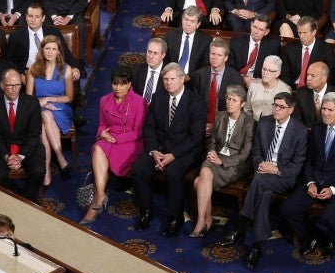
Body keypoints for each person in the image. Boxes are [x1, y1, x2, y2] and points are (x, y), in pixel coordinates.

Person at [218, 92, 307, 271]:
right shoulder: (265, 123)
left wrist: (275, 169)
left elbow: (297, 166)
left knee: (258, 181)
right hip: (262, 172)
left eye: (281, 107)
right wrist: (261, 164)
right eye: (275, 105)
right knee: (264, 195)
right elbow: (256, 152)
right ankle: (257, 246)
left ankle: (241, 228)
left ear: (291, 109)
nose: (276, 109)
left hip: (283, 177)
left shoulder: (300, 131)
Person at [282, 92, 335, 258]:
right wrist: (310, 182)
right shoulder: (318, 128)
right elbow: (309, 161)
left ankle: (331, 240)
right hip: (316, 182)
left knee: (327, 218)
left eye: (330, 110)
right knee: (287, 209)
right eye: (323, 109)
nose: (325, 113)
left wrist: (333, 189)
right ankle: (310, 236)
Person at [132, 63, 206, 235]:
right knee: (139, 169)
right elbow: (149, 126)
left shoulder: (196, 101)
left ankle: (174, 218)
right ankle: (146, 211)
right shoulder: (159, 97)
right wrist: (153, 151)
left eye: (172, 79)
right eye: (165, 79)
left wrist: (174, 155)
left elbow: (196, 137)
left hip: (185, 150)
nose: (168, 83)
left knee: (173, 173)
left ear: (182, 79)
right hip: (159, 148)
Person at [80, 66, 147, 225]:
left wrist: (116, 140)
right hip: (109, 138)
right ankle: (101, 196)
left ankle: (97, 201)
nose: (118, 88)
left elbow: (138, 133)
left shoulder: (139, 102)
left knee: (100, 149)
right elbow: (102, 124)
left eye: (122, 84)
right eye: (115, 84)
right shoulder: (104, 100)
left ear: (129, 84)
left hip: (130, 142)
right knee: (98, 147)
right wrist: (102, 133)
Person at [191, 85, 255, 238]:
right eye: (228, 99)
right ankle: (203, 219)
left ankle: (206, 219)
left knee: (198, 182)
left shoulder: (249, 122)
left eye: (234, 100)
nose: (229, 102)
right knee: (205, 171)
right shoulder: (220, 116)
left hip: (234, 164)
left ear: (243, 104)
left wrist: (222, 161)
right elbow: (212, 140)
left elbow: (246, 153)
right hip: (215, 158)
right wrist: (212, 152)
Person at [0, 68, 45, 203]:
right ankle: (24, 199)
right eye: (10, 85)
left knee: (38, 171)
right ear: (2, 86)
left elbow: (34, 133)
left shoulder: (31, 102)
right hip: (1, 150)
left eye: (17, 85)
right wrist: (7, 156)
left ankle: (24, 201)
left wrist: (20, 156)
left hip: (27, 147)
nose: (14, 89)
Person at [26, 35, 74, 186]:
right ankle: (58, 161)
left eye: (54, 49)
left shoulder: (66, 69)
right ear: (42, 50)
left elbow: (69, 97)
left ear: (59, 51)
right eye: (47, 48)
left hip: (60, 107)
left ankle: (51, 165)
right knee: (42, 123)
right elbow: (28, 98)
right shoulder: (33, 69)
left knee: (45, 116)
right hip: (39, 106)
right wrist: (41, 102)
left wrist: (50, 100)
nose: (50, 52)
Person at [5, 3, 80, 82]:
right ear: (26, 17)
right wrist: (20, 75)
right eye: (30, 16)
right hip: (28, 72)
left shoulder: (54, 32)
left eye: (37, 17)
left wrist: (75, 68)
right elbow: (10, 62)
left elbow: (65, 53)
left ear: (43, 18)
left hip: (52, 71)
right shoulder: (16, 35)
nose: (33, 20)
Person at [189, 39, 243, 135]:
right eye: (212, 54)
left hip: (224, 126)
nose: (214, 58)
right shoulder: (199, 75)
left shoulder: (235, 77)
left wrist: (216, 125)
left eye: (219, 55)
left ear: (226, 57)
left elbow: (234, 108)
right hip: (200, 124)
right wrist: (202, 124)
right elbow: (195, 105)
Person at [282, 16, 335, 89]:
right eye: (299, 33)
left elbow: (329, 77)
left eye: (305, 33)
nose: (301, 36)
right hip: (292, 88)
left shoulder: (326, 49)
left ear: (314, 32)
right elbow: (285, 74)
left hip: (313, 90)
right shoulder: (290, 48)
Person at [228, 14, 280, 87]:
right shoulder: (236, 42)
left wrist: (257, 81)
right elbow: (230, 67)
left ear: (266, 32)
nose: (256, 31)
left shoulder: (272, 45)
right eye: (254, 27)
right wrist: (242, 78)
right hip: (237, 81)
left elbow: (273, 70)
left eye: (261, 29)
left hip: (260, 84)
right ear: (251, 25)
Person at [293, 61, 335, 130]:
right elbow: (297, 119)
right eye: (307, 75)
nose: (308, 78)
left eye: (313, 76)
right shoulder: (302, 92)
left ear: (324, 78)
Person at [164, 6, 211, 77]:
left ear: (198, 25)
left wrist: (189, 77)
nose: (188, 24)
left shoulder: (205, 40)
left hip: (193, 80)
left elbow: (205, 66)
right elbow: (164, 59)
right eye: (186, 19)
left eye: (192, 21)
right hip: (171, 77)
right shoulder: (170, 36)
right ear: (182, 20)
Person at [244, 55, 291, 121]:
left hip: (272, 126)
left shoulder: (285, 89)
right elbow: (247, 110)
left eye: (270, 71)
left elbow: (283, 116)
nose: (265, 73)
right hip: (252, 124)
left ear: (277, 73)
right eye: (264, 69)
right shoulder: (253, 84)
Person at [131, 37, 167, 104]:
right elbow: (131, 93)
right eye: (149, 52)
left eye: (155, 53)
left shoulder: (168, 74)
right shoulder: (136, 69)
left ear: (163, 55)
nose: (151, 56)